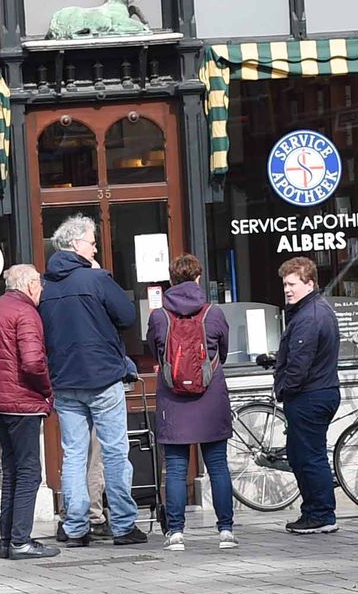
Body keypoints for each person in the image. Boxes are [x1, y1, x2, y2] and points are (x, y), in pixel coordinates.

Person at [39, 214, 147, 547]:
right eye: (92, 242)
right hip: (102, 377)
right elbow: (127, 316)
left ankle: (75, 527)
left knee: (73, 454)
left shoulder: (45, 286)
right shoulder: (96, 279)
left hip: (64, 381)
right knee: (115, 452)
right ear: (75, 244)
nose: (96, 248)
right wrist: (100, 275)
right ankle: (124, 525)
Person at [146, 254, 235, 551]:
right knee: (218, 466)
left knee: (174, 468)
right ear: (198, 278)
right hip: (210, 399)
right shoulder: (214, 313)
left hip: (173, 401)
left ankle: (176, 534)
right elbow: (223, 351)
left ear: (171, 281)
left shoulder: (159, 316)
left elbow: (155, 351)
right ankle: (225, 531)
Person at [0, 264, 59, 560]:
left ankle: (7, 541)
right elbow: (33, 362)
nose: (42, 289)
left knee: (12, 471)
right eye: (40, 284)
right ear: (30, 285)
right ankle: (20, 541)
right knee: (29, 472)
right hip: (22, 403)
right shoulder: (26, 313)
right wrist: (46, 391)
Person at [273, 257, 341, 535]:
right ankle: (315, 511)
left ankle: (321, 514)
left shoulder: (309, 317)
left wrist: (284, 389)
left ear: (309, 283)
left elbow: (299, 365)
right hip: (317, 391)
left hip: (310, 395)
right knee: (305, 455)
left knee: (309, 457)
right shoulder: (313, 311)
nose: (287, 290)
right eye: (284, 285)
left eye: (292, 284)